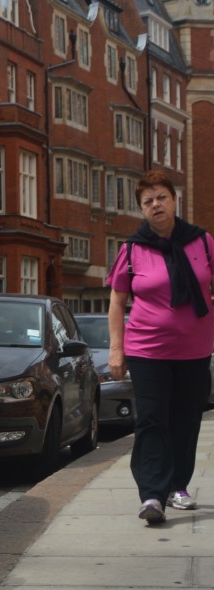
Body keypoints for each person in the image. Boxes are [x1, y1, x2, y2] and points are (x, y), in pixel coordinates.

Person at [105, 170, 214, 524]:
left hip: (195, 351)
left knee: (185, 420)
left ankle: (178, 486)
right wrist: (116, 350)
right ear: (142, 209)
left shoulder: (204, 243)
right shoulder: (132, 250)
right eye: (148, 201)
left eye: (161, 198)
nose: (156, 205)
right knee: (152, 420)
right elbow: (117, 302)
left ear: (174, 200)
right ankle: (152, 493)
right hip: (147, 350)